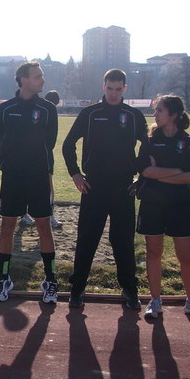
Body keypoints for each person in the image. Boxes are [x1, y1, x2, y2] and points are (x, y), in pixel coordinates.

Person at [62, 68, 147, 310]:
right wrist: (75, 173)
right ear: (103, 86)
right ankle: (77, 289)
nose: (113, 93)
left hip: (123, 188)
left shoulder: (133, 116)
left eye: (118, 89)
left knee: (123, 241)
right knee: (87, 239)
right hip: (94, 186)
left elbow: (148, 147)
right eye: (109, 88)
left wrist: (141, 178)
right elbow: (68, 144)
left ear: (124, 89)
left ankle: (130, 290)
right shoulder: (90, 114)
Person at [135, 95, 190, 320]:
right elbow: (146, 171)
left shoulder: (189, 142)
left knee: (185, 256)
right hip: (151, 203)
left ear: (174, 115)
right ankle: (155, 301)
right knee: (153, 252)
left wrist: (162, 173)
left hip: (179, 205)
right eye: (155, 110)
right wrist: (176, 170)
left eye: (160, 110)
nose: (155, 114)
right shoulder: (149, 140)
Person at [0, 62, 58, 303]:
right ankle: (3, 277)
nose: (42, 80)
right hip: (12, 178)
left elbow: (49, 142)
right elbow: (1, 139)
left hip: (39, 177)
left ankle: (50, 279)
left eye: (41, 76)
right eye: (37, 76)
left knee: (44, 227)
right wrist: (9, 165)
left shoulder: (48, 109)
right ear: (23, 79)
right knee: (7, 227)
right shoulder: (5, 109)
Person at [44, 89, 63, 230]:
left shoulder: (46, 110)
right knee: (48, 185)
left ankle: (25, 214)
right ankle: (50, 216)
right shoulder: (49, 111)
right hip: (45, 155)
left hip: (44, 155)